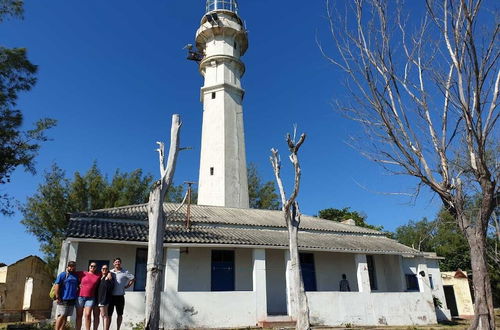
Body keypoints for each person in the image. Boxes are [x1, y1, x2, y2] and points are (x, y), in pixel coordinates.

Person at [109, 258, 135, 330]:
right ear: (113, 263)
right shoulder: (110, 272)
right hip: (111, 296)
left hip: (120, 296)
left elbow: (132, 278)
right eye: (116, 262)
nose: (117, 263)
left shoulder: (125, 272)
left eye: (119, 262)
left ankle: (118, 328)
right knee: (109, 315)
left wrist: (127, 286)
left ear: (120, 263)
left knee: (119, 314)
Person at [76, 262, 101, 330]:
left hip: (90, 298)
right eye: (91, 266)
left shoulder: (98, 275)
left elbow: (106, 272)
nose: (92, 267)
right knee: (79, 316)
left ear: (96, 268)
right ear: (89, 266)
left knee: (88, 315)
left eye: (94, 266)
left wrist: (109, 274)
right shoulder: (82, 273)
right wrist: (77, 284)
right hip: (80, 297)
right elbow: (72, 275)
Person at [54, 261, 79, 330]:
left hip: (72, 299)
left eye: (73, 266)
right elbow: (57, 285)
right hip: (63, 298)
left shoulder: (75, 276)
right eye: (70, 266)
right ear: (67, 267)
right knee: (61, 315)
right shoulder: (63, 275)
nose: (71, 267)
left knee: (66, 316)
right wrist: (57, 296)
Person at [97, 264, 114, 330]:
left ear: (108, 270)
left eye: (106, 269)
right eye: (103, 268)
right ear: (101, 270)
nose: (104, 270)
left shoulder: (109, 278)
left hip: (104, 299)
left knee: (105, 316)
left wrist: (109, 275)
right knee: (103, 315)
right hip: (99, 299)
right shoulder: (101, 277)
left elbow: (111, 287)